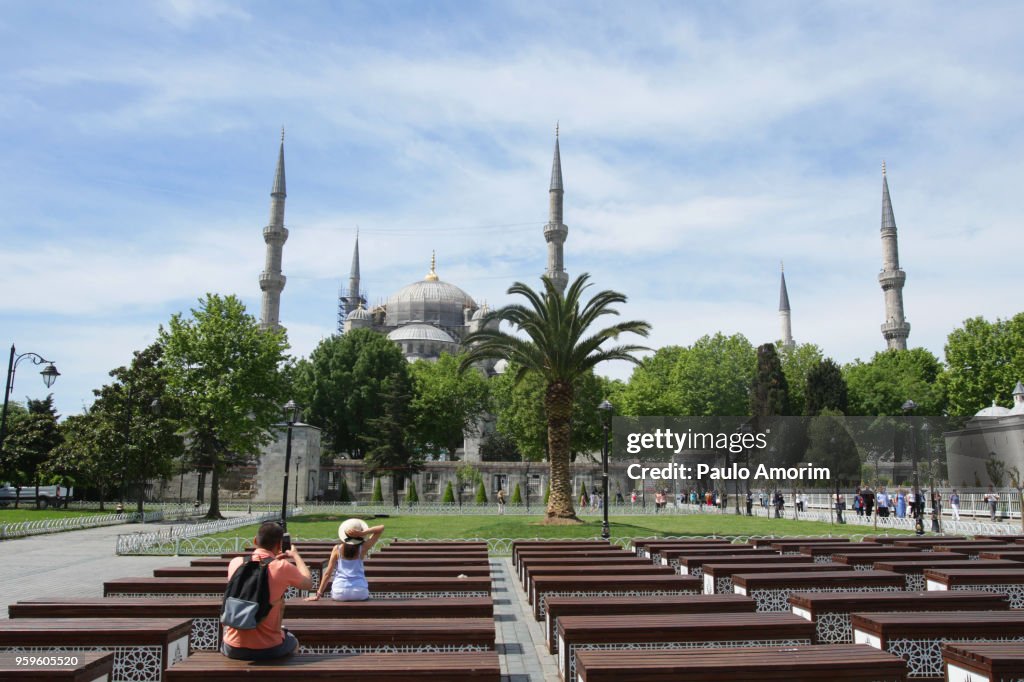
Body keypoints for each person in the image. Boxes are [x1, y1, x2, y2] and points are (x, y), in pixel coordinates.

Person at [221, 521, 313, 660]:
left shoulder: (236, 563)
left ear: (255, 540)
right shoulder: (282, 567)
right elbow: (308, 583)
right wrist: (295, 555)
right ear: (279, 545)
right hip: (268, 648)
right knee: (293, 641)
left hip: (232, 647)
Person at [308, 518, 384, 602]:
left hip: (339, 592)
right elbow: (381, 528)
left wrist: (318, 594)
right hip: (359, 591)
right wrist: (363, 532)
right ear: (360, 536)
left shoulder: (337, 549)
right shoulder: (363, 548)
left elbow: (327, 574)